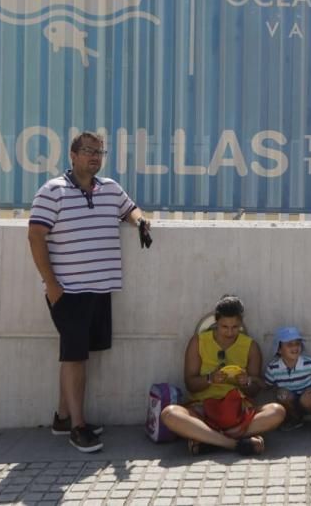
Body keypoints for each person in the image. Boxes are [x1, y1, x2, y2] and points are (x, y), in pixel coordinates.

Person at [28, 132, 151, 453]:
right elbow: (35, 236)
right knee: (75, 358)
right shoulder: (52, 191)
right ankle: (79, 428)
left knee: (77, 355)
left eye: (100, 152)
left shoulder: (110, 188)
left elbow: (130, 209)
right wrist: (52, 285)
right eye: (88, 151)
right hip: (68, 291)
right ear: (72, 154)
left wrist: (140, 222)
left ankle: (62, 418)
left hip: (99, 289)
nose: (95, 157)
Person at [159, 295, 286, 455]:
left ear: (241, 323)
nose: (230, 332)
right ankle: (234, 444)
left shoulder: (250, 346)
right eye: (224, 327)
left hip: (237, 410)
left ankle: (208, 440)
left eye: (235, 327)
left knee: (277, 411)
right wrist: (210, 379)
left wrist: (245, 382)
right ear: (216, 322)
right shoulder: (198, 341)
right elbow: (190, 384)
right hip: (204, 407)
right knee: (169, 414)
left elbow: (255, 390)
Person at [263, 326, 311, 433]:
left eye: (297, 343)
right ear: (279, 349)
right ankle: (295, 419)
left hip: (309, 400)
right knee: (282, 394)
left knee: (306, 398)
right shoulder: (273, 367)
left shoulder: (309, 363)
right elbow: (266, 385)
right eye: (289, 344)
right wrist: (252, 381)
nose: (295, 347)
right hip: (291, 403)